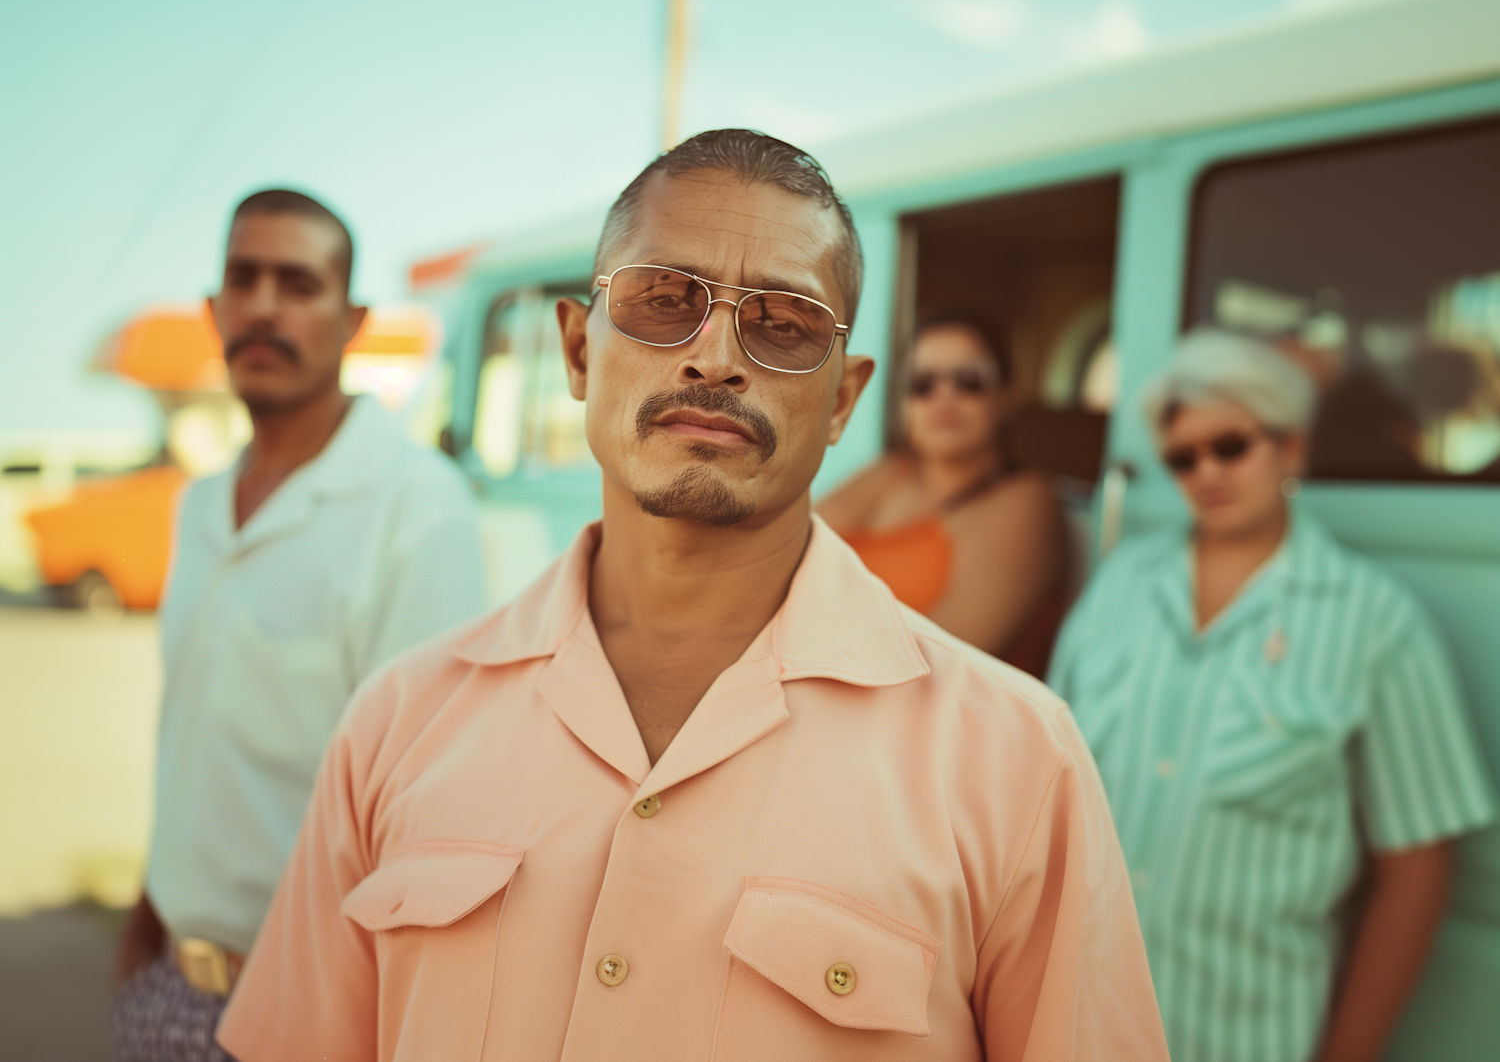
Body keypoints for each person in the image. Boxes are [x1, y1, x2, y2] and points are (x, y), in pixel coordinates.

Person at [216, 131, 1168, 1061]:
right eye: (664, 301)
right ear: (580, 352)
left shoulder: (1012, 762)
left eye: (783, 326)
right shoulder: (398, 721)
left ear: (842, 401)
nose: (715, 356)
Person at [111, 189, 488, 1061]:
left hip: (308, 1012)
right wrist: (143, 923)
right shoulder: (201, 506)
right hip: (164, 990)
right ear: (213, 311)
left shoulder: (416, 506)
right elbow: (195, 739)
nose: (265, 306)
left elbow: (425, 805)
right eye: (243, 280)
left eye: (298, 283)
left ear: (352, 319)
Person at [1049, 329, 1497, 1062]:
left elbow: (1417, 871)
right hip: (1074, 1027)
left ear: (1292, 448)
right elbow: (1048, 782)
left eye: (1232, 445)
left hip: (1244, 1039)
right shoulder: (1122, 583)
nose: (1207, 471)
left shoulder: (1376, 621)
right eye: (1183, 457)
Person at [817, 314, 1067, 674]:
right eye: (922, 383)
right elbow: (782, 552)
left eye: (969, 381)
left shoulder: (1027, 501)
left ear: (1007, 396)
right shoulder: (888, 474)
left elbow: (942, 657)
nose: (944, 396)